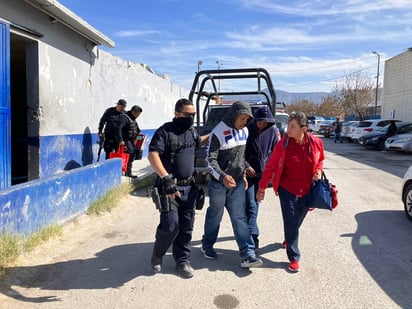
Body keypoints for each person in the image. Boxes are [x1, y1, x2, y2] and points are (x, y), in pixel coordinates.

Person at [256, 111, 325, 272]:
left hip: (307, 190)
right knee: (291, 221)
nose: (288, 129)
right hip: (287, 188)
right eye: (288, 125)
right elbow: (271, 166)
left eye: (292, 126)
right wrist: (262, 187)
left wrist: (318, 171)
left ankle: (289, 237)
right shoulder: (283, 144)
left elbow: (320, 159)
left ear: (304, 128)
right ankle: (294, 257)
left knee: (297, 220)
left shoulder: (315, 143)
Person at [148, 98, 208, 279]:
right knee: (170, 225)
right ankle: (157, 254)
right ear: (177, 114)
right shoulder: (165, 131)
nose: (191, 118)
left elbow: (200, 142)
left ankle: (182, 261)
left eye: (194, 115)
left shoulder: (191, 131)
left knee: (186, 227)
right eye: (188, 115)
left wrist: (217, 134)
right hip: (169, 188)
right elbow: (152, 155)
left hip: (189, 187)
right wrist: (165, 177)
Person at [201, 101, 263, 268]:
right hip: (219, 185)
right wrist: (222, 177)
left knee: (240, 218)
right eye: (242, 119)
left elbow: (239, 157)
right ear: (234, 115)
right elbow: (210, 161)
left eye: (246, 119)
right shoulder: (218, 132)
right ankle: (207, 246)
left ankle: (247, 254)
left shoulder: (244, 131)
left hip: (236, 185)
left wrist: (244, 171)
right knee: (215, 216)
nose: (244, 123)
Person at [245, 106, 281, 252]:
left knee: (253, 207)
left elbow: (276, 151)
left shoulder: (272, 131)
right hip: (247, 175)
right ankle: (253, 239)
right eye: (260, 122)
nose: (262, 125)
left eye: (265, 122)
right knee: (251, 207)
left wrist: (271, 171)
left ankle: (250, 237)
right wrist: (246, 165)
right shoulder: (247, 129)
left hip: (263, 175)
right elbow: (238, 151)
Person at [116, 105, 143, 178]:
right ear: (134, 112)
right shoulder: (124, 118)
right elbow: (119, 129)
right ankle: (127, 172)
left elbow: (137, 130)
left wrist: (140, 138)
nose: (138, 116)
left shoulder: (133, 119)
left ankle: (127, 171)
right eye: (138, 114)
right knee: (130, 154)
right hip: (125, 140)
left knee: (134, 154)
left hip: (131, 140)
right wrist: (121, 140)